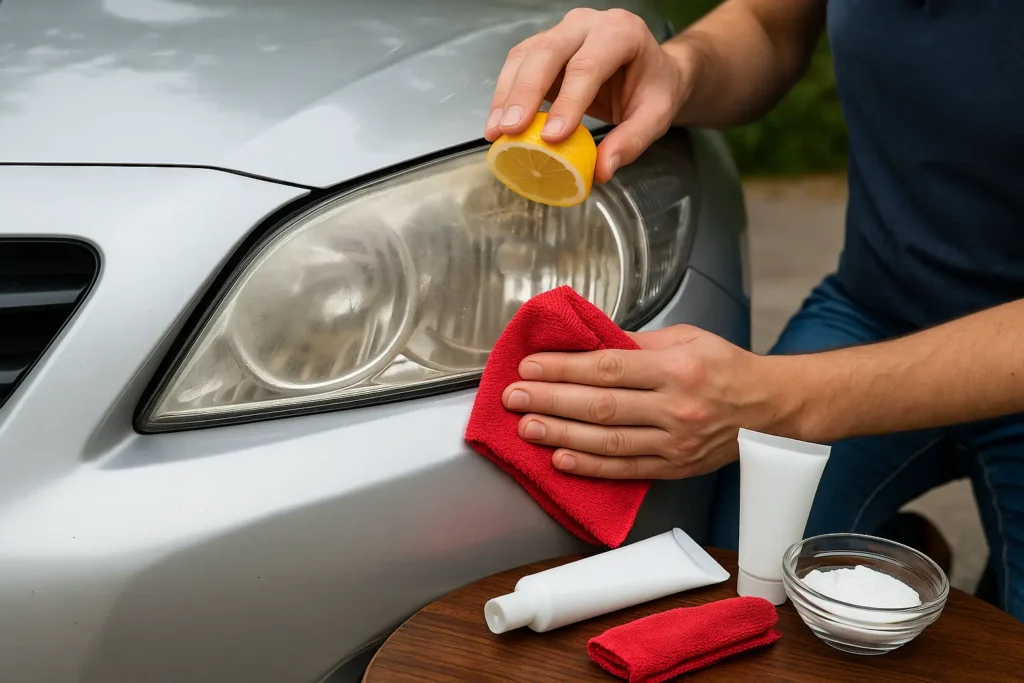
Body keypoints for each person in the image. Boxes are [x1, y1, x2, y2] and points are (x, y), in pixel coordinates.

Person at [484, 1, 1024, 621]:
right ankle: (900, 547)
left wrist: (780, 397)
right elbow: (770, 26)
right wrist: (677, 69)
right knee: (734, 586)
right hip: (878, 308)